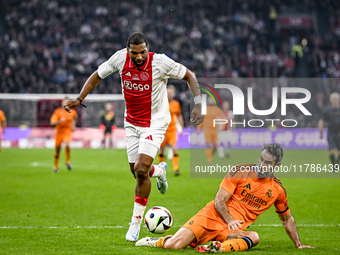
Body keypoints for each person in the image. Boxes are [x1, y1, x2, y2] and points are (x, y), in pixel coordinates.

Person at [64, 32, 204, 242]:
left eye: (143, 52)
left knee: (140, 169)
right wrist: (79, 98)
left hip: (155, 122)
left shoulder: (161, 62)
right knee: (137, 171)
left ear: (148, 48)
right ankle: (159, 170)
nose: (139, 57)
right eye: (134, 53)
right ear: (128, 51)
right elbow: (97, 75)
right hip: (131, 123)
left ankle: (135, 224)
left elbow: (189, 75)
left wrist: (199, 104)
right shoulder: (120, 58)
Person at [136, 143, 314, 252]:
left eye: (268, 162)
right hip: (211, 216)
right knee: (176, 245)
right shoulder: (240, 171)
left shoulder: (277, 190)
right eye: (261, 159)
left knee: (254, 236)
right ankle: (157, 241)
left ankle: (217, 248)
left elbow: (286, 218)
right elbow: (219, 200)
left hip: (231, 232)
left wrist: (298, 243)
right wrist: (229, 219)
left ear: (277, 165)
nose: (262, 164)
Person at [158, 85, 184, 176]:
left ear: (173, 94)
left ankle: (176, 168)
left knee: (174, 148)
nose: (169, 94)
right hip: (163, 130)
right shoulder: (161, 103)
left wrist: (181, 127)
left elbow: (179, 115)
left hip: (172, 130)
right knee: (161, 150)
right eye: (168, 92)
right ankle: (160, 169)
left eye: (171, 93)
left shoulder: (176, 104)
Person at [50, 98, 78, 173]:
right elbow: (52, 123)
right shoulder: (58, 112)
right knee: (57, 149)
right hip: (59, 132)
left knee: (67, 144)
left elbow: (75, 118)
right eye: (64, 102)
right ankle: (55, 166)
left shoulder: (72, 112)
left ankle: (67, 161)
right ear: (62, 103)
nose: (66, 103)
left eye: (67, 102)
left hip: (67, 131)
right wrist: (59, 121)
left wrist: (73, 126)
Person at [197, 97, 226, 164]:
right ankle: (209, 160)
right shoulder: (204, 109)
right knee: (209, 144)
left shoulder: (216, 109)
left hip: (215, 130)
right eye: (209, 100)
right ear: (207, 101)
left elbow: (223, 117)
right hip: (207, 129)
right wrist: (198, 128)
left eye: (212, 100)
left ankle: (210, 155)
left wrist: (223, 126)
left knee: (215, 146)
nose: (210, 101)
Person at [318, 92, 340, 170]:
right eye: (333, 99)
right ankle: (334, 166)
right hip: (331, 133)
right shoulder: (328, 111)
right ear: (330, 100)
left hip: (339, 133)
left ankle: (337, 164)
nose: (334, 101)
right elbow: (321, 121)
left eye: (336, 99)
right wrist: (321, 132)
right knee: (332, 151)